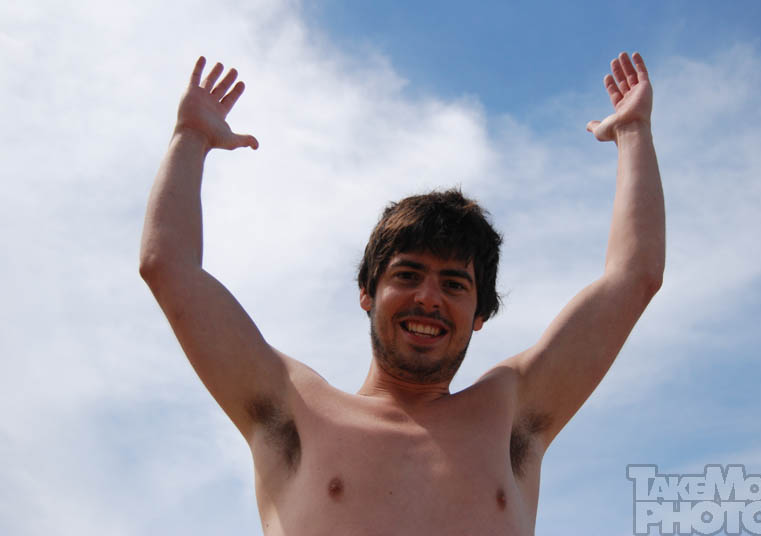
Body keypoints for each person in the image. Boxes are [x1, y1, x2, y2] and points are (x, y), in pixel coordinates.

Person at [140, 51, 664, 535]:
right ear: (366, 293)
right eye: (408, 275)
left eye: (454, 284)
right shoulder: (294, 410)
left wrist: (633, 132)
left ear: (479, 314)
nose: (429, 299)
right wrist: (190, 136)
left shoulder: (510, 416)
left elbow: (634, 277)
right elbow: (169, 268)